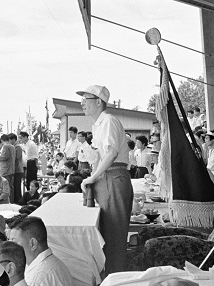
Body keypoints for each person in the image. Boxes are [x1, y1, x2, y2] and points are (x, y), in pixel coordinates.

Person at [78, 85, 133, 274]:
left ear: (99, 102)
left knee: (114, 236)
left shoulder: (108, 121)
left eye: (86, 99)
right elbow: (100, 157)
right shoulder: (98, 124)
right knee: (106, 234)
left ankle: (114, 277)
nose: (82, 103)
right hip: (105, 178)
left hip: (113, 177)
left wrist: (92, 177)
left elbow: (111, 153)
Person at [9, 216, 73, 286]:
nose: (10, 247)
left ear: (33, 244)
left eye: (14, 242)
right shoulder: (57, 264)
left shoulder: (35, 279)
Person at [0, 134, 16, 202]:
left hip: (6, 170)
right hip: (11, 169)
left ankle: (8, 201)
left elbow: (4, 157)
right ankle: (12, 200)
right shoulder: (12, 146)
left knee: (6, 187)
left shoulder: (6, 146)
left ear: (2, 140)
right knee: (10, 187)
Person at [9, 133, 24, 204]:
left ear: (13, 139)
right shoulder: (13, 147)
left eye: (9, 140)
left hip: (17, 169)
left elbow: (17, 157)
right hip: (14, 169)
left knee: (17, 187)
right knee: (14, 187)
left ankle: (19, 201)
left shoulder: (17, 147)